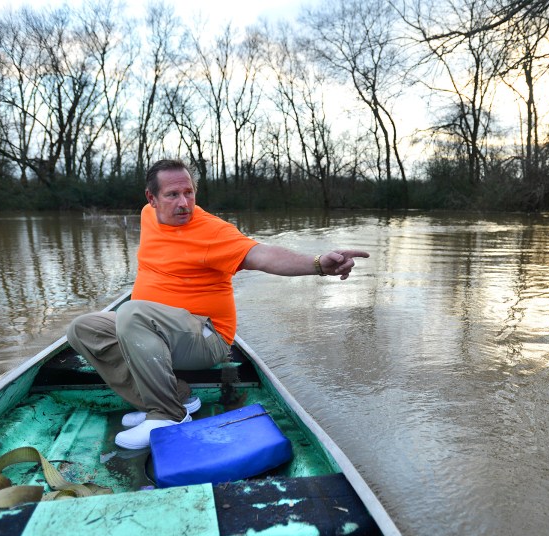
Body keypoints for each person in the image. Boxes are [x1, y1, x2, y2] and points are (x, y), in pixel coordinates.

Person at [66, 158, 369, 449]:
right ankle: (175, 397)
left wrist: (318, 264)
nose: (184, 203)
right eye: (172, 195)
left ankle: (167, 415)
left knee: (131, 312)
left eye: (189, 193)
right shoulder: (148, 216)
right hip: (153, 329)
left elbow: (262, 255)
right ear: (152, 198)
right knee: (83, 329)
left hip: (206, 337)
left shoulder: (213, 232)